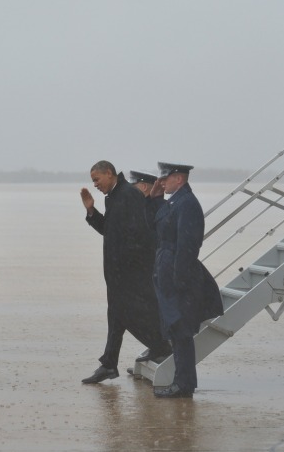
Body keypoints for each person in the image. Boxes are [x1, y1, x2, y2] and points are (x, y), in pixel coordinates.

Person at [80, 161, 171, 384]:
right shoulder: (114, 196)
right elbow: (109, 232)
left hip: (130, 273)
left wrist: (132, 270)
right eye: (93, 181)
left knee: (130, 314)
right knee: (117, 316)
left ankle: (161, 346)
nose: (95, 184)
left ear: (109, 173)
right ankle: (110, 364)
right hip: (118, 274)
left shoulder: (129, 195)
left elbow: (142, 235)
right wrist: (92, 211)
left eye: (96, 179)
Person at [147, 162, 223, 398]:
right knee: (174, 328)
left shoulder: (187, 203)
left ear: (179, 179)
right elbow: (156, 228)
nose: (161, 182)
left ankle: (184, 384)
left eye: (165, 179)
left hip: (177, 274)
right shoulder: (174, 202)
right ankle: (182, 382)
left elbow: (188, 245)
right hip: (167, 270)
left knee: (181, 330)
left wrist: (179, 278)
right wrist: (155, 200)